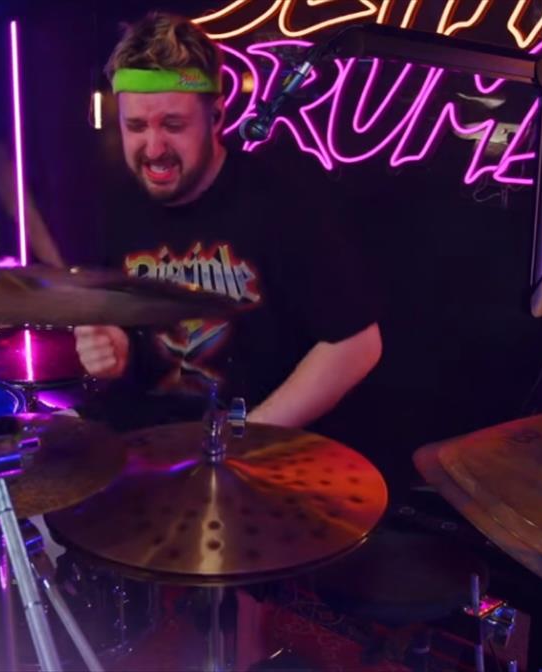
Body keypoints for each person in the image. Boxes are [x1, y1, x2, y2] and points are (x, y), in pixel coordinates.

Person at [75, 12, 383, 431]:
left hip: (258, 445)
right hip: (152, 446)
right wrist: (116, 351)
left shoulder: (281, 201)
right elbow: (123, 340)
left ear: (216, 116)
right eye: (136, 126)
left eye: (173, 125)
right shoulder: (115, 203)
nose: (154, 148)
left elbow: (357, 345)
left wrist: (247, 438)